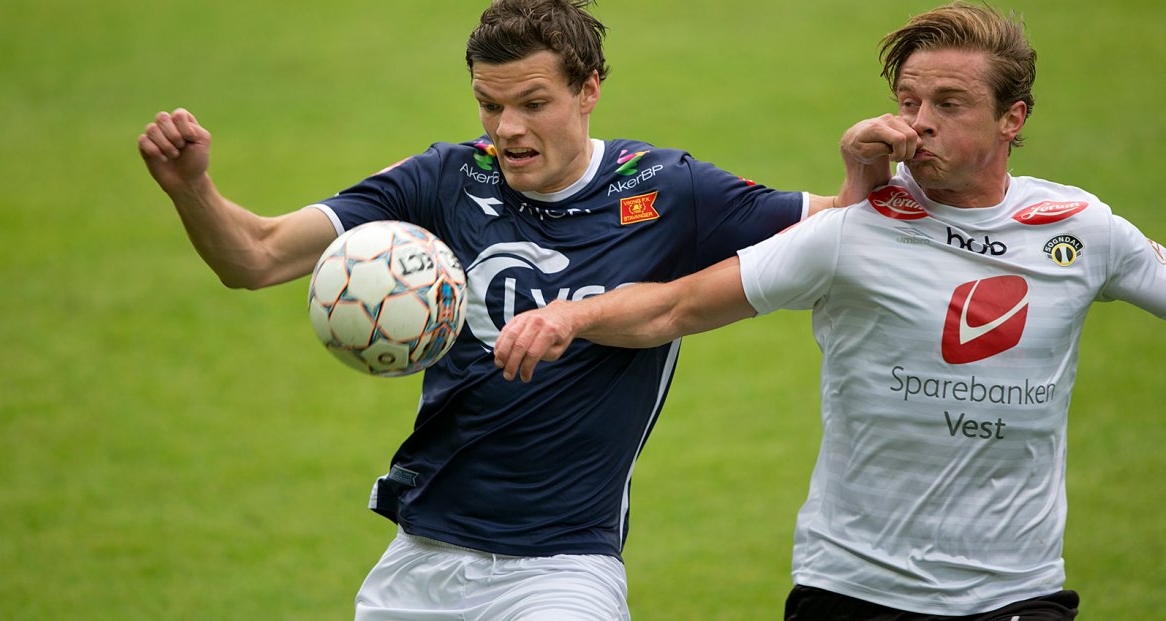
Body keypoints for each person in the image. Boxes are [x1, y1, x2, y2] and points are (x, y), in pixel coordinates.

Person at [137, 1, 858, 618]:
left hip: (562, 569)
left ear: (589, 89)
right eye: (490, 104)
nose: (506, 128)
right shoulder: (444, 179)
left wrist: (866, 170)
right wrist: (191, 189)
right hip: (421, 558)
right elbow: (255, 256)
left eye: (532, 103)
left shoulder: (669, 190)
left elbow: (843, 226)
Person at [494, 2, 1166, 619]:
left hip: (1017, 592)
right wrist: (571, 318)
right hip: (853, 589)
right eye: (909, 100)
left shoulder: (1080, 230)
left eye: (950, 103)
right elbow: (676, 305)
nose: (920, 120)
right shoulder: (856, 229)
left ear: (1012, 118)